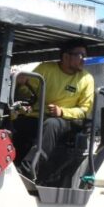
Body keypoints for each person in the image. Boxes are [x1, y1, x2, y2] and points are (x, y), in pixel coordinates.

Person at [14, 39, 95, 180]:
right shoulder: (45, 69)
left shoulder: (87, 79)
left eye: (85, 55)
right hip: (38, 117)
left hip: (67, 121)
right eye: (80, 55)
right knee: (17, 123)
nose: (84, 59)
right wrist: (21, 83)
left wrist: (62, 112)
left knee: (52, 124)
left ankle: (27, 171)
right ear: (66, 56)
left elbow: (84, 111)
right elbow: (26, 93)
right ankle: (7, 163)